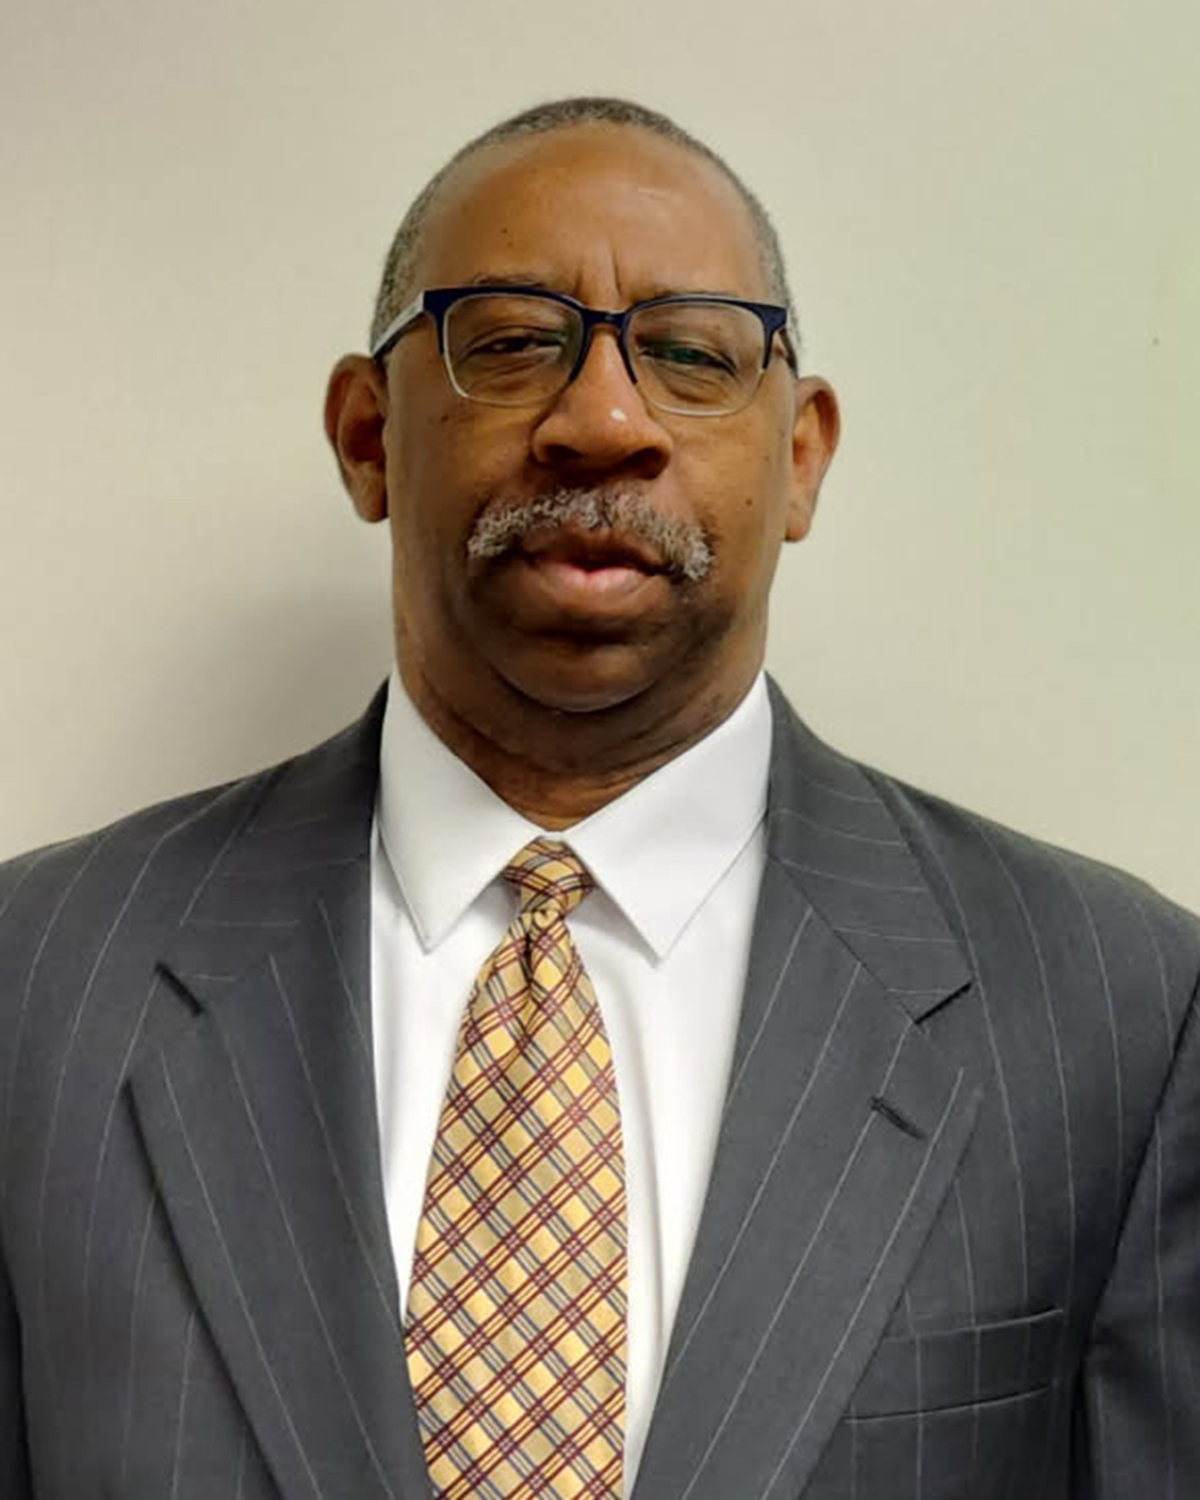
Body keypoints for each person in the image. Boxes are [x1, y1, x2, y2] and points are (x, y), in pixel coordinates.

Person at [0, 96, 1196, 1500]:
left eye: (691, 353)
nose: (604, 420)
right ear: (368, 436)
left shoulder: (1119, 1013)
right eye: (512, 342)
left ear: (800, 457)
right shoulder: (41, 983)